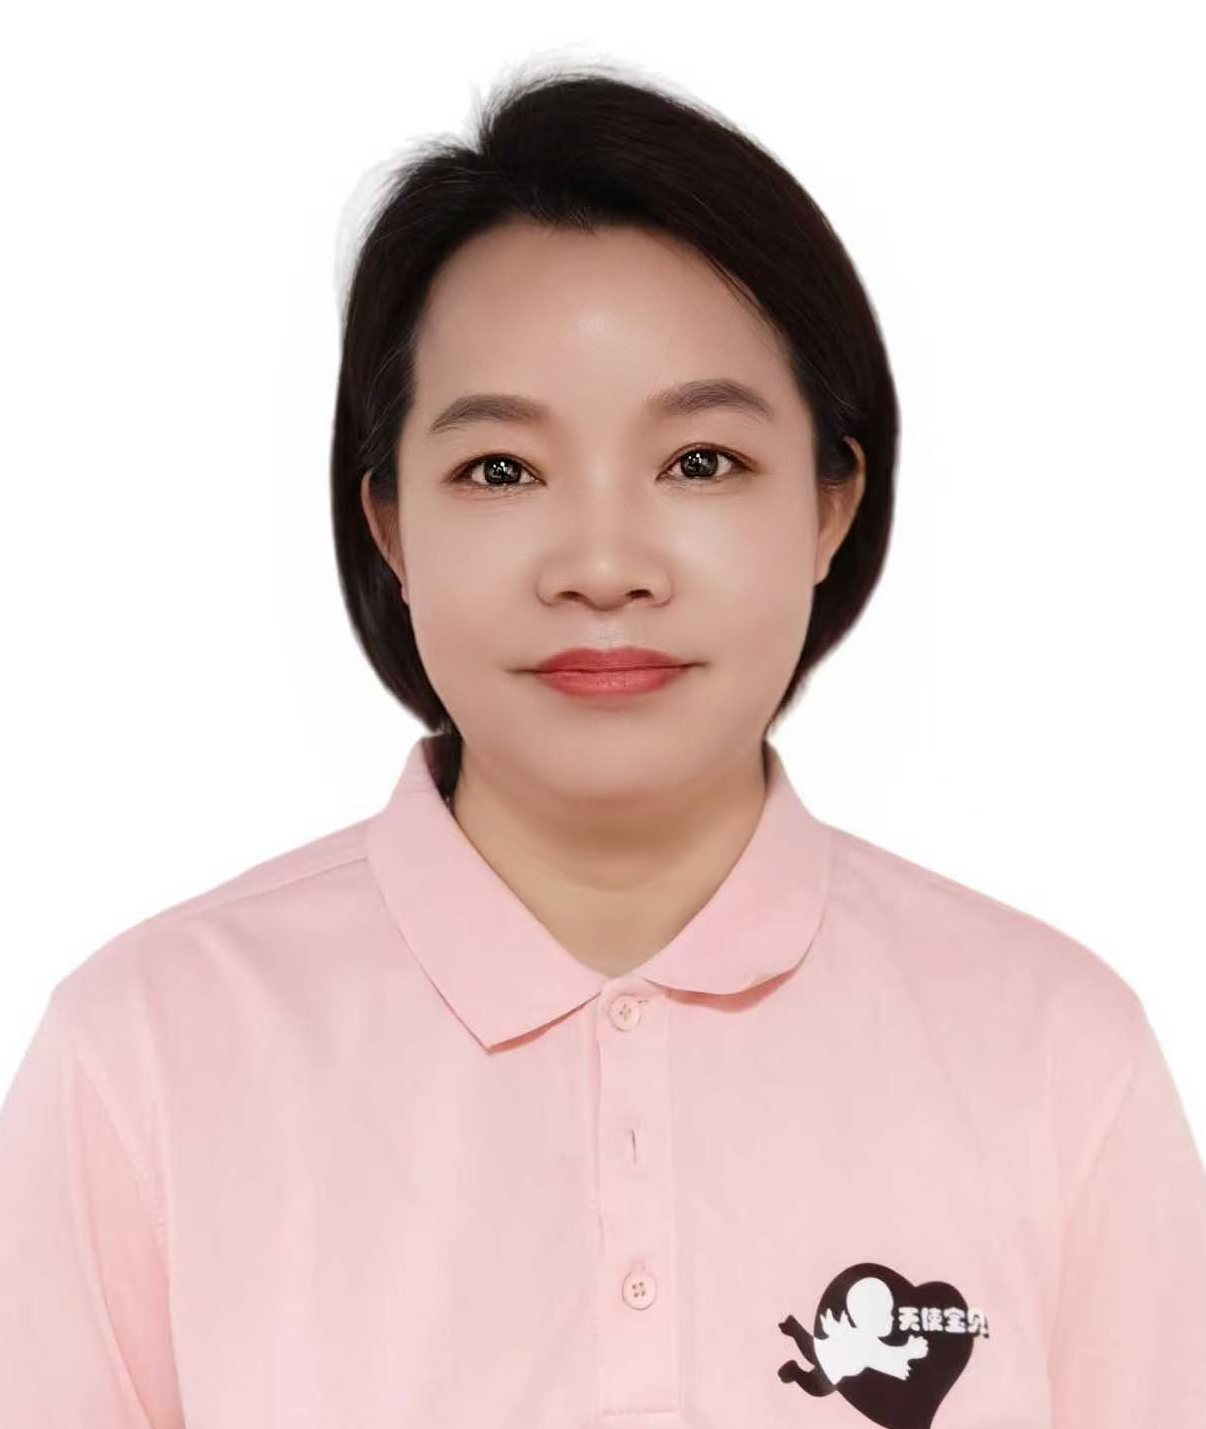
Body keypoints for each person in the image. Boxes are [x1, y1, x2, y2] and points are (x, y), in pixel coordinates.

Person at [2, 61, 1204, 1429]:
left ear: (829, 505)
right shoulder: (146, 1055)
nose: (602, 563)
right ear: (391, 526)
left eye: (700, 461)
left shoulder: (1053, 1050)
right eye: (499, 469)